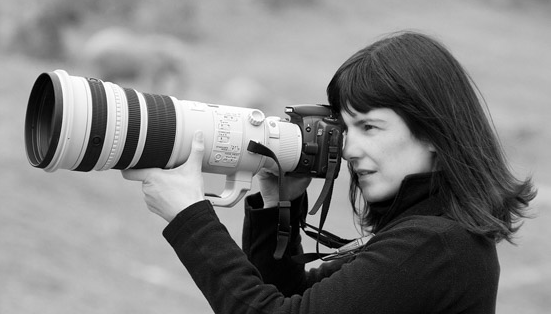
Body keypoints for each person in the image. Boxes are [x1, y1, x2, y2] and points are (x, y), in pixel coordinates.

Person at [122, 31, 536, 313]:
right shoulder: (431, 234)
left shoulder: (435, 245)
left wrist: (189, 217)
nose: (350, 150)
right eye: (346, 128)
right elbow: (294, 297)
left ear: (432, 130)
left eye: (370, 127)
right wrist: (277, 203)